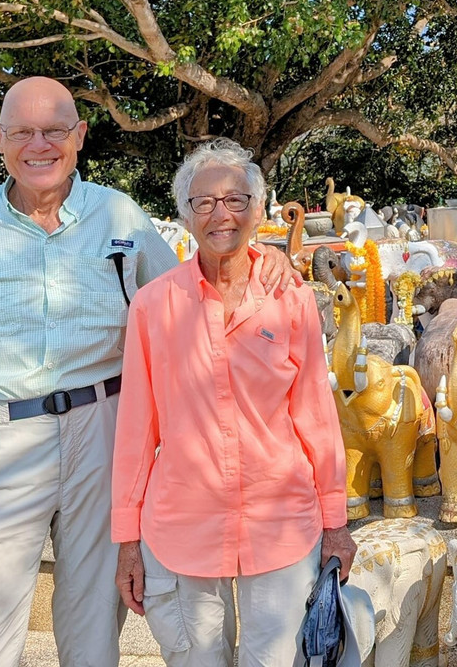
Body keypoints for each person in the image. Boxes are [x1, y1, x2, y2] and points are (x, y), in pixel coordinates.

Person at [0, 77, 295, 667]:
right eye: (23, 132)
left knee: (93, 635)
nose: (40, 145)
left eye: (55, 130)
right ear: (0, 139)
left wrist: (256, 256)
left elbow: (188, 296)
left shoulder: (118, 215)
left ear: (79, 135)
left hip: (106, 433)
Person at [112, 138, 358, 667]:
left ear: (259, 210)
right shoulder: (154, 306)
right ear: (185, 216)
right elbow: (136, 430)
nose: (220, 214)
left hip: (280, 521)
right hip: (183, 525)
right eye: (204, 202)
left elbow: (316, 417)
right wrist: (127, 541)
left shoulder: (291, 299)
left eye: (235, 200)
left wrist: (335, 523)